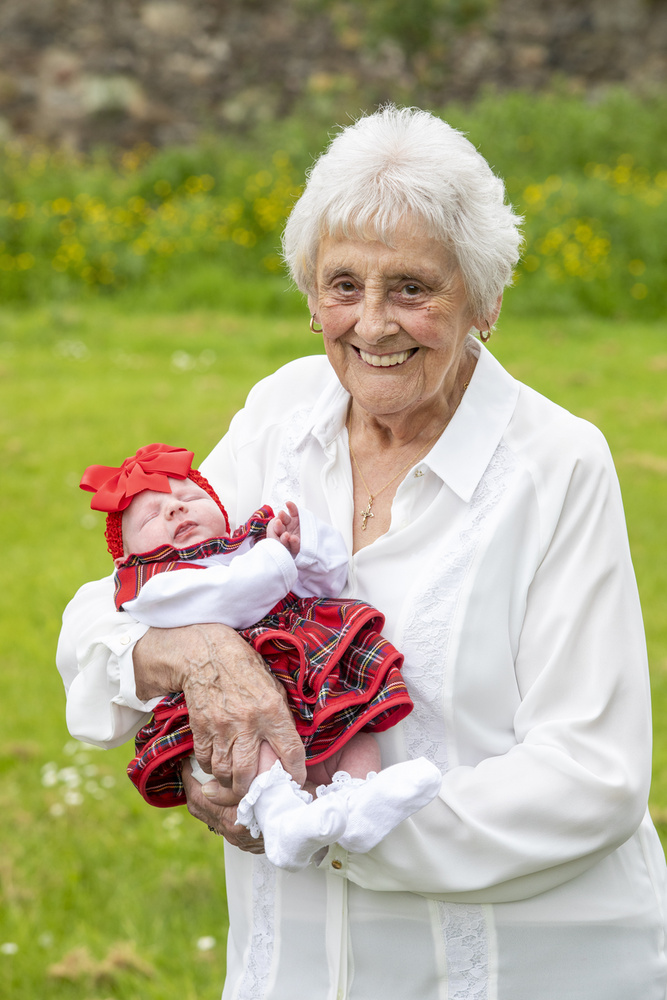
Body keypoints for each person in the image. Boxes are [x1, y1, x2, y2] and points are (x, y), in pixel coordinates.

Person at [57, 105, 667, 999]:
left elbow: (591, 775)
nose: (372, 324)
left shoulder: (555, 463)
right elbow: (105, 616)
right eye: (343, 284)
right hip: (291, 968)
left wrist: (326, 827)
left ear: (485, 299)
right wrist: (192, 649)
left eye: (413, 288)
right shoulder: (283, 413)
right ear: (309, 294)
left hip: (520, 969)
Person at [79, 442, 440, 870]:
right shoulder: (152, 583)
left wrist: (304, 545)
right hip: (236, 704)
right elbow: (226, 599)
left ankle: (359, 802)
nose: (176, 509)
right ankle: (284, 819)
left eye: (190, 498)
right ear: (126, 556)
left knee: (355, 732)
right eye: (152, 516)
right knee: (258, 751)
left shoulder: (244, 543)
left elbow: (330, 578)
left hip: (301, 676)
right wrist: (274, 558)